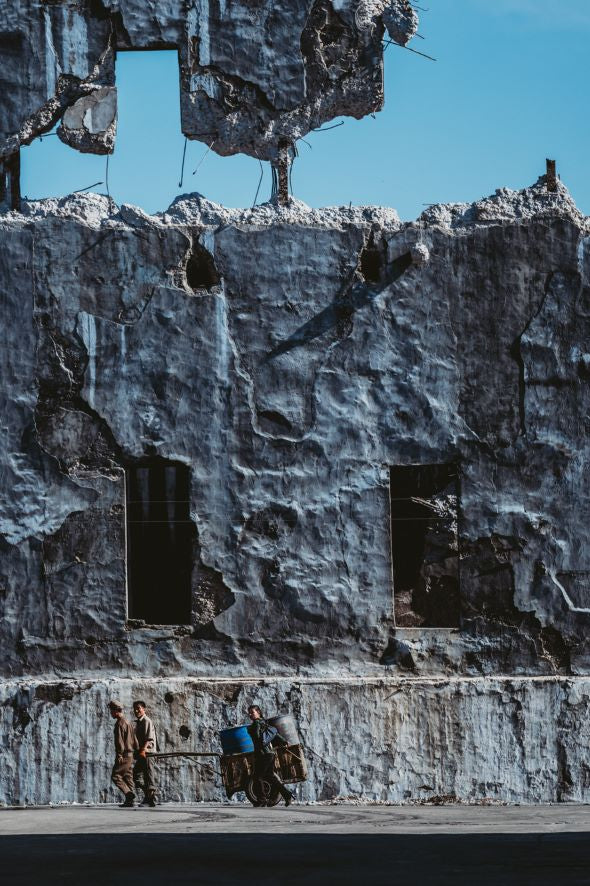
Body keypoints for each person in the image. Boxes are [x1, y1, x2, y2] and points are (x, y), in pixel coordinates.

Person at [247, 704, 293, 806]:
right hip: (270, 754)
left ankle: (262, 799)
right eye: (249, 713)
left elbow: (258, 737)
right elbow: (275, 734)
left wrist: (251, 730)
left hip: (263, 755)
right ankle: (287, 794)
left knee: (257, 777)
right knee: (270, 776)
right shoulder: (265, 723)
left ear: (258, 712)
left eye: (252, 712)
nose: (250, 714)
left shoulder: (256, 724)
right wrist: (284, 741)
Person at [109, 700, 138, 808]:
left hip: (124, 754)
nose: (111, 713)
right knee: (127, 776)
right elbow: (135, 740)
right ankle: (130, 801)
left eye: (111, 711)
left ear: (116, 711)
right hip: (131, 754)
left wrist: (119, 755)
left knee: (116, 776)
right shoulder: (128, 722)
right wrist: (137, 750)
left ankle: (129, 794)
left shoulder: (120, 724)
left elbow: (119, 742)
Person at [133, 700, 157, 808]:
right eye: (135, 709)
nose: (136, 710)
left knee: (148, 776)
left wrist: (142, 750)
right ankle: (149, 796)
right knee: (136, 775)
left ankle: (150, 798)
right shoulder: (139, 722)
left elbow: (149, 738)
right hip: (142, 752)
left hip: (148, 753)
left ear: (144, 709)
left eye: (139, 708)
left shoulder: (146, 721)